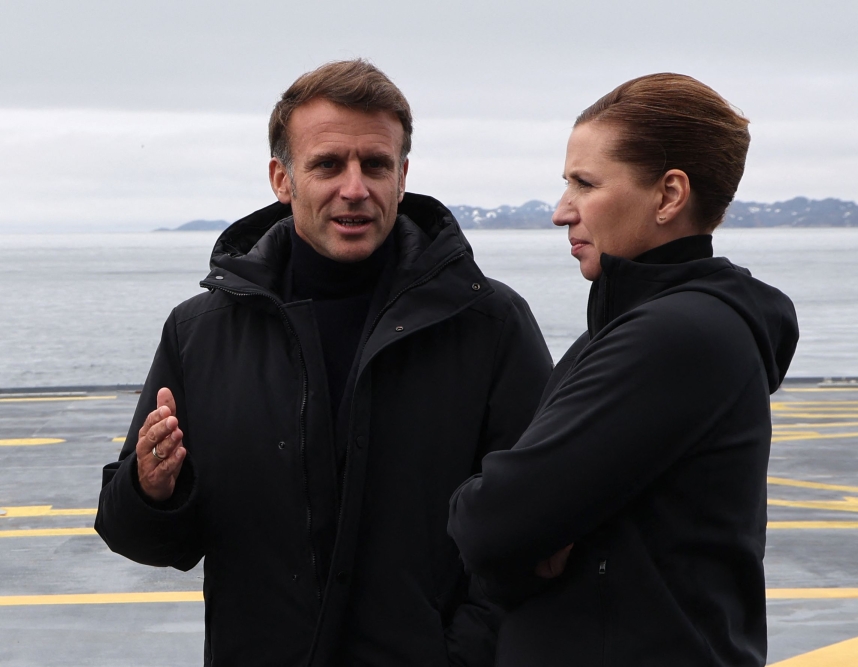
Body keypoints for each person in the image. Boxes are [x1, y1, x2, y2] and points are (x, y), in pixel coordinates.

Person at [95, 60, 552, 667]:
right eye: (329, 164)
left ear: (404, 175)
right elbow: (144, 539)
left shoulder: (491, 325)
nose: (355, 188)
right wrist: (152, 491)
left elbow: (541, 529)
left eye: (377, 164)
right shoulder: (200, 332)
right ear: (282, 179)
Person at [448, 73, 798, 666]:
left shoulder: (675, 336)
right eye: (566, 184)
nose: (562, 212)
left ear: (668, 196)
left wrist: (503, 525)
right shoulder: (632, 330)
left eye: (585, 184)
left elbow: (490, 524)